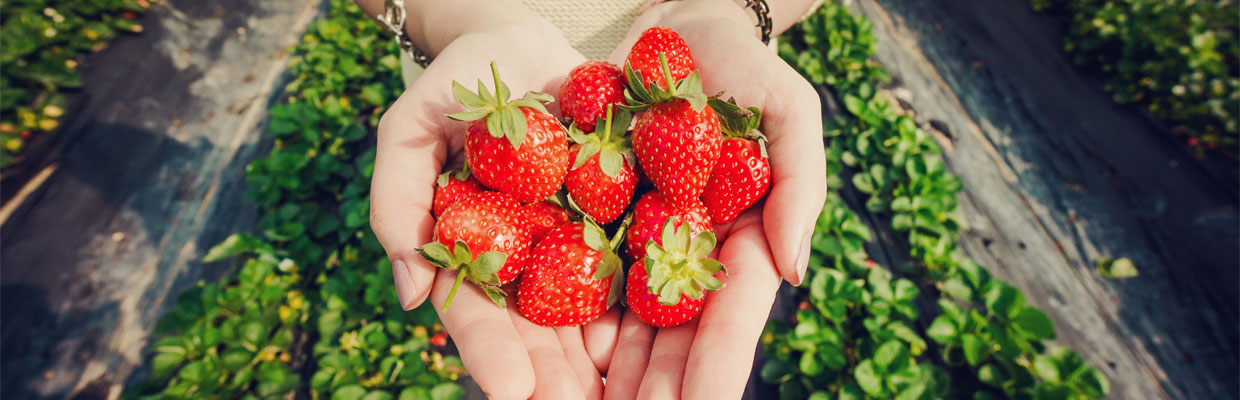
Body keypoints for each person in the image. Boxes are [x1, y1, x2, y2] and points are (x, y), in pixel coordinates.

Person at [352, 0, 827, 398]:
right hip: (488, 75)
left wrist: (727, 12)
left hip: (691, 81)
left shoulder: (683, 125)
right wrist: (452, 17)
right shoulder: (508, 139)